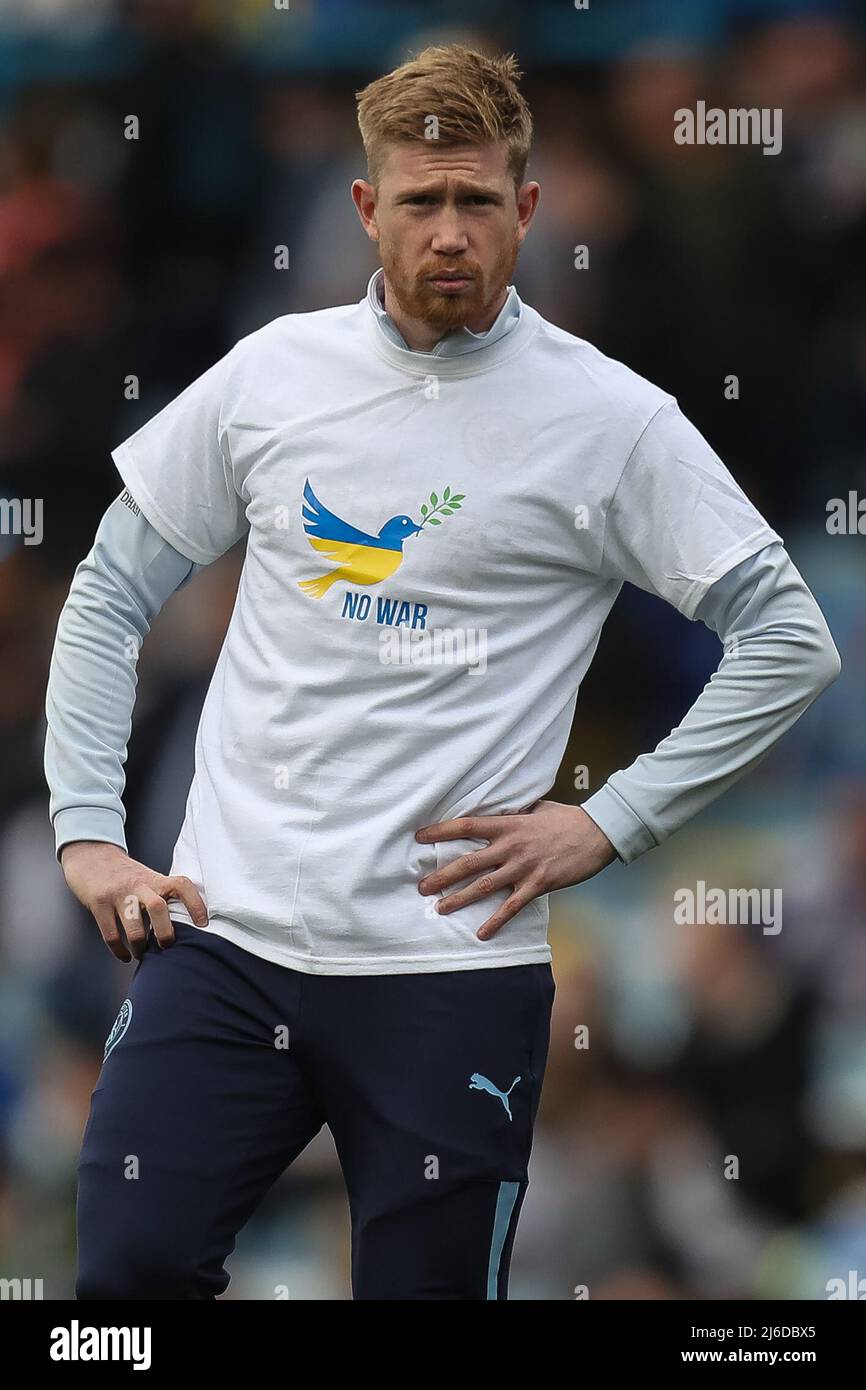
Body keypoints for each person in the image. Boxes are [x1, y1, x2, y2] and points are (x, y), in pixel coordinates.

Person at [45, 45, 840, 1300]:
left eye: (479, 201)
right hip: (227, 938)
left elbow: (790, 636)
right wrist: (89, 829)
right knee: (123, 1289)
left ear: (528, 209)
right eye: (421, 202)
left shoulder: (609, 419)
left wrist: (609, 821)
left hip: (446, 974)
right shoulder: (272, 375)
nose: (451, 233)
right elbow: (105, 591)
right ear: (367, 209)